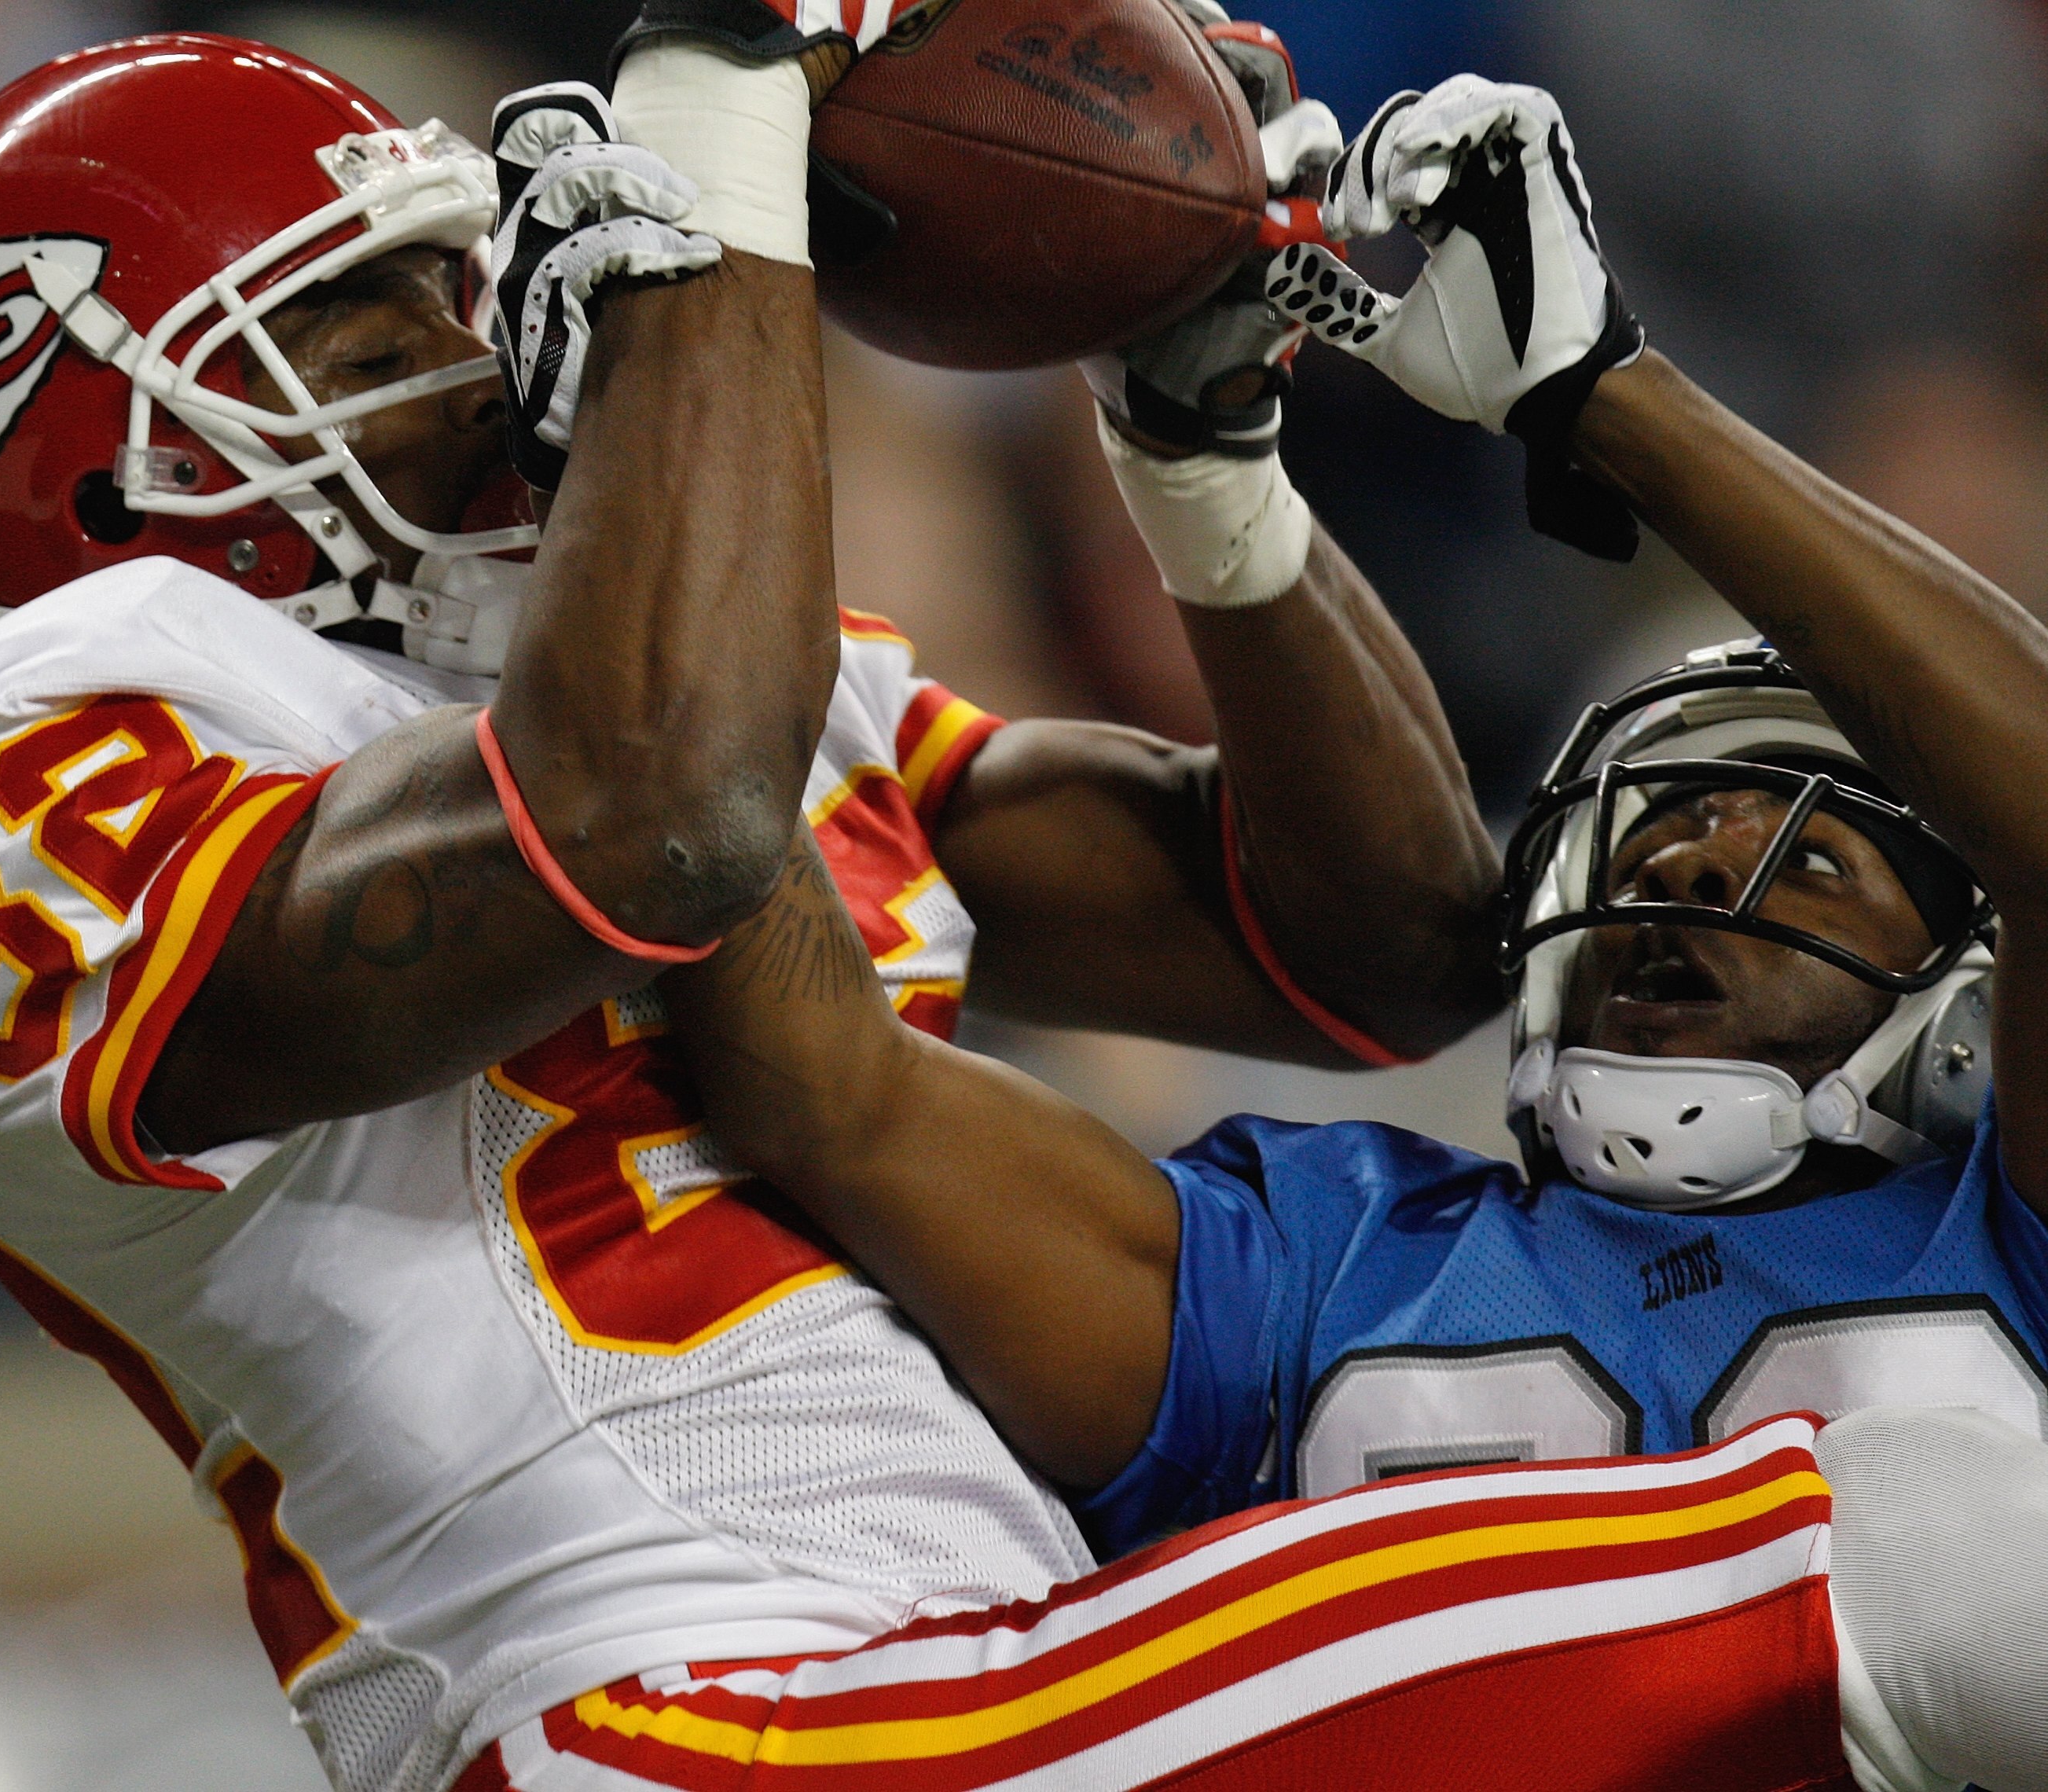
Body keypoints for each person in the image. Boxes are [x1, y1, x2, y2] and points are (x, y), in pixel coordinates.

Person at [0, 12, 1510, 1790]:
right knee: (1707, 1559)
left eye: (459, 295)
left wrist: (1206, 462)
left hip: (975, 1663)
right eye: (367, 333)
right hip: (658, 1707)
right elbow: (652, 828)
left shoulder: (695, 681)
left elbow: (1381, 949)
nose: (475, 366)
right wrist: (722, 137)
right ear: (107, 473)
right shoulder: (14, 754)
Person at [655, 77, 2048, 1792]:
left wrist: (1604, 395)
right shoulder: (1325, 1262)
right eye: (1663, 829)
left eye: (1808, 864)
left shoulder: (2010, 1229)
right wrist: (637, 494)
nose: (1693, 872)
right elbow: (828, 1090)